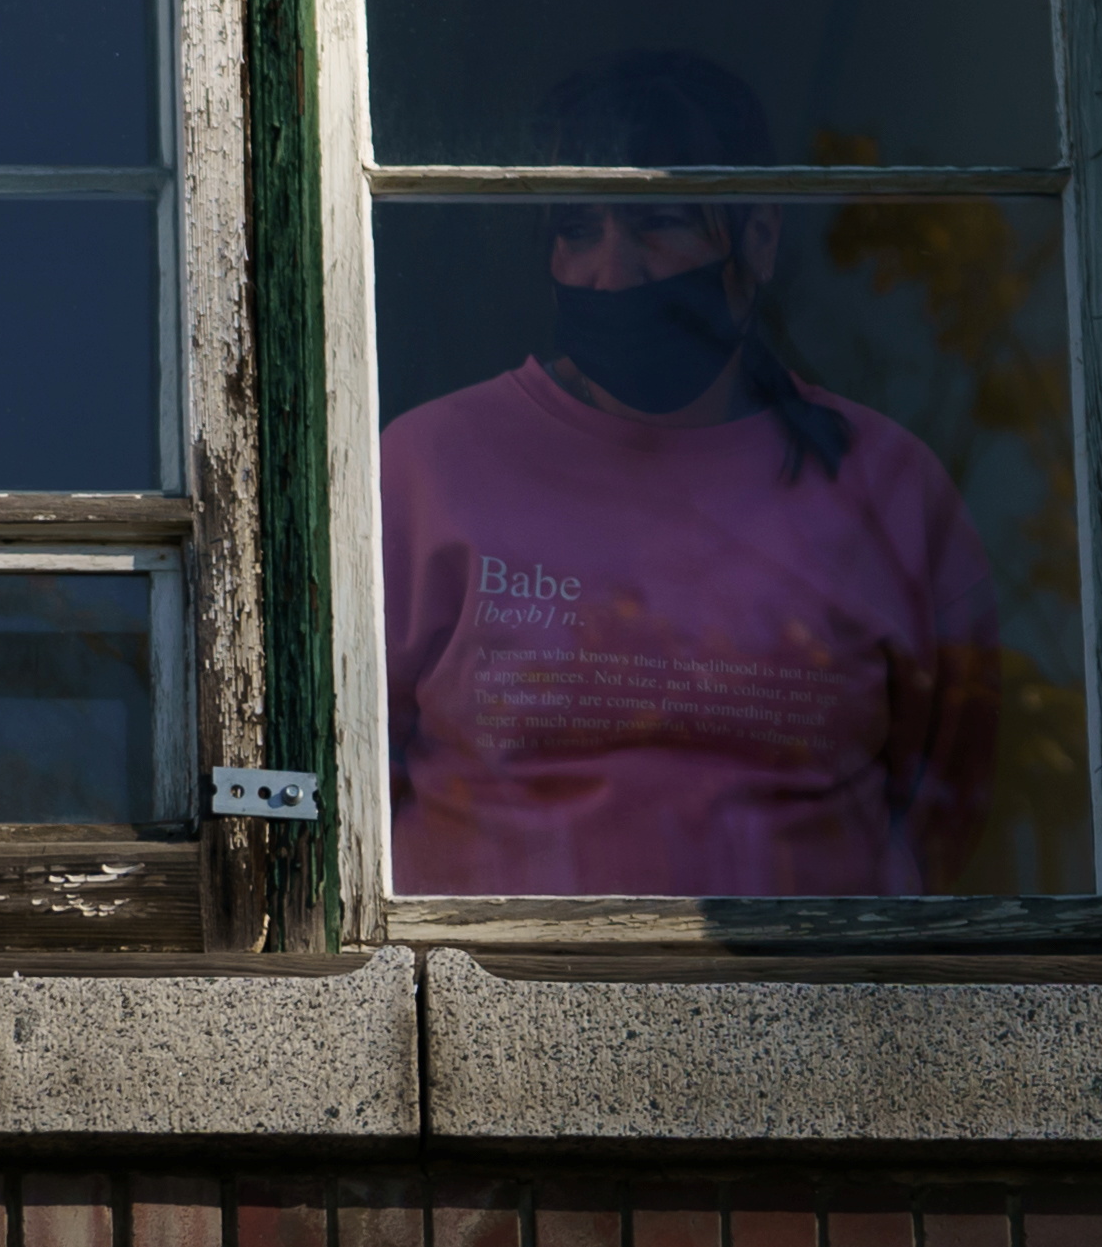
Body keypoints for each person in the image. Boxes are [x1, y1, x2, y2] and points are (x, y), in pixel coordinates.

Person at [379, 52, 1001, 901]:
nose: (613, 270)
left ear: (758, 238)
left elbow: (953, 799)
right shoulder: (426, 468)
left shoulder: (884, 484)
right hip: (490, 1003)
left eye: (656, 223)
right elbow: (350, 782)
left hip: (814, 1009)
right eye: (577, 230)